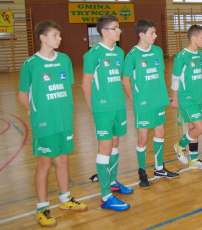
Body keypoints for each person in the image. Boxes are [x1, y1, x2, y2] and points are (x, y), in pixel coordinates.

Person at [18, 21, 87, 226]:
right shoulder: (31, 64)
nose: (60, 39)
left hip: (64, 120)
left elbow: (65, 89)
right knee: (45, 163)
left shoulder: (64, 60)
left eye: (59, 35)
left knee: (63, 159)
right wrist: (36, 114)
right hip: (44, 123)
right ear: (43, 37)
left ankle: (65, 199)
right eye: (55, 35)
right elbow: (23, 96)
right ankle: (42, 207)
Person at [82, 15, 133, 212]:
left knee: (115, 143)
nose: (119, 31)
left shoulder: (120, 52)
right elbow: (85, 84)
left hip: (118, 105)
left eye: (118, 28)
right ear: (103, 31)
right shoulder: (93, 54)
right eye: (114, 28)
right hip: (102, 108)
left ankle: (112, 182)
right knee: (104, 147)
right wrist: (93, 110)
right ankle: (105, 197)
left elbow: (120, 79)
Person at [122, 19, 178, 189]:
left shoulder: (158, 51)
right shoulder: (132, 55)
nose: (155, 36)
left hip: (158, 100)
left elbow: (159, 75)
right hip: (143, 104)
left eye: (155, 32)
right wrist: (135, 101)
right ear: (141, 34)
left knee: (160, 132)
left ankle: (159, 168)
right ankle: (142, 171)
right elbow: (125, 81)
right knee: (143, 138)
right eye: (151, 33)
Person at [172, 24, 202, 170]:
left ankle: (193, 160)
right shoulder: (181, 56)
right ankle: (179, 145)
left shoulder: (199, 54)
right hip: (186, 98)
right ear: (193, 38)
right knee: (201, 127)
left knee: (193, 127)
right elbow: (175, 78)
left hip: (198, 97)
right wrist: (175, 98)